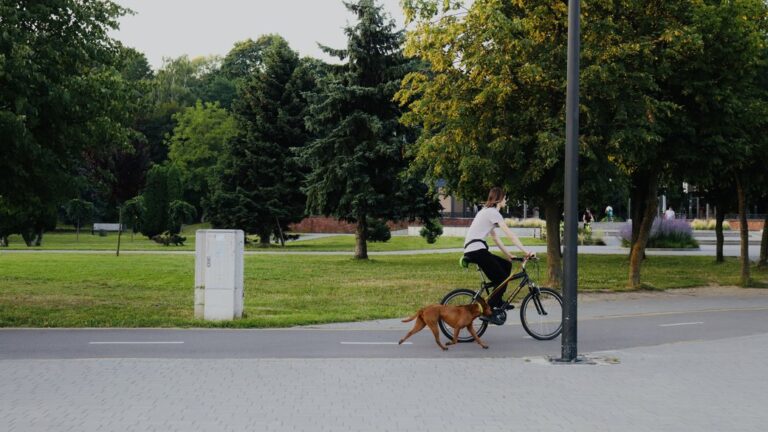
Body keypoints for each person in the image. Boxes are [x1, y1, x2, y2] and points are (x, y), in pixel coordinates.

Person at [463, 187, 534, 325]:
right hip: (477, 250)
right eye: (505, 198)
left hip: (474, 249)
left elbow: (495, 238)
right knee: (502, 278)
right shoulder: (493, 213)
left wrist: (509, 255)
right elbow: (510, 235)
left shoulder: (486, 212)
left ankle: (498, 300)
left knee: (506, 266)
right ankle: (488, 310)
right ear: (499, 199)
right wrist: (526, 251)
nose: (506, 201)